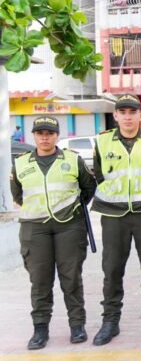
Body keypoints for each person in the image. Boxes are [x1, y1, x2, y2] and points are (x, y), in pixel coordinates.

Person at [91, 94, 141, 345]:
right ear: (115, 116)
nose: (127, 117)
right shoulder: (102, 142)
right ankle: (110, 321)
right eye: (122, 112)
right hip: (113, 215)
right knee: (112, 269)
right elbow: (98, 174)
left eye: (132, 112)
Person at [11, 117, 96, 350]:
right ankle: (40, 329)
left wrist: (72, 208)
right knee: (39, 281)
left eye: (49, 133)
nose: (45, 137)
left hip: (69, 225)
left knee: (71, 279)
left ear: (57, 135)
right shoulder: (20, 163)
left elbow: (88, 188)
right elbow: (18, 195)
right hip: (34, 228)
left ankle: (77, 325)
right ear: (34, 136)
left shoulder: (72, 159)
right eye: (40, 133)